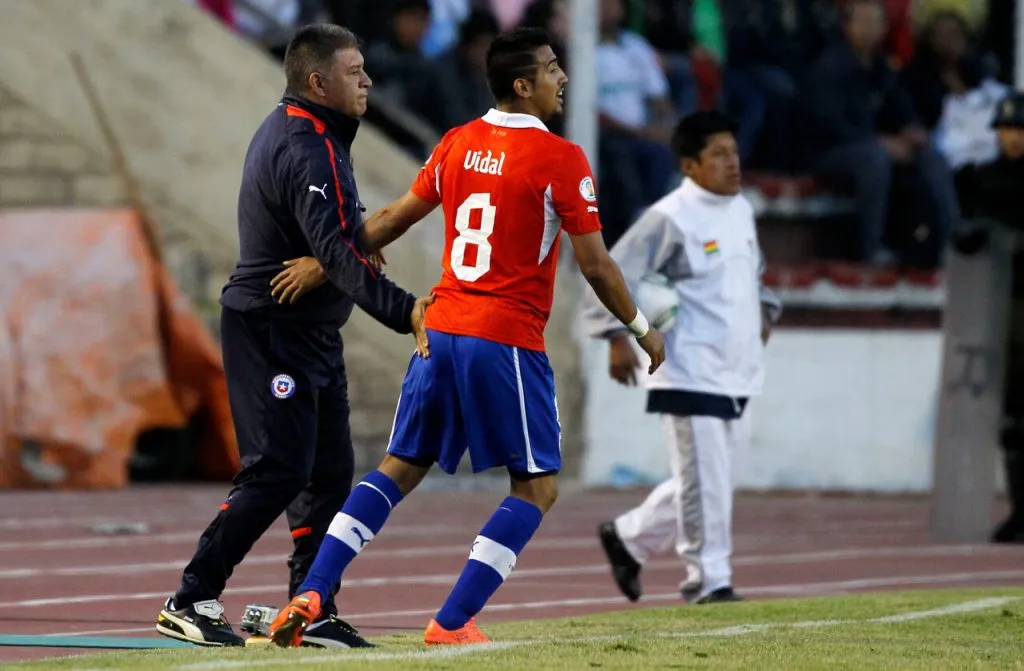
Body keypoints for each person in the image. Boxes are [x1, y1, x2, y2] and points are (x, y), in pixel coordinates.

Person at [264, 26, 666, 648]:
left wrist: (326, 260)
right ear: (523, 85)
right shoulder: (562, 159)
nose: (563, 78)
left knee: (398, 468)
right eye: (553, 68)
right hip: (505, 339)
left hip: (439, 329)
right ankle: (451, 621)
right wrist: (641, 328)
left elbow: (394, 217)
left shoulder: (457, 142)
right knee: (536, 486)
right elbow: (596, 265)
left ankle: (312, 591)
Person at [155, 23, 433, 648]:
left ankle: (309, 607)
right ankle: (191, 596)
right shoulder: (307, 144)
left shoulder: (315, 134)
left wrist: (335, 254)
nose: (367, 79)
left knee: (329, 473)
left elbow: (328, 237)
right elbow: (334, 246)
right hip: (270, 327)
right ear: (318, 81)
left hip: (310, 330)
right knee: (277, 470)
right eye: (354, 69)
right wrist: (405, 309)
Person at [582, 111, 781, 605]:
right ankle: (708, 580)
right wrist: (615, 337)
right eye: (718, 154)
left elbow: (752, 274)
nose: (732, 163)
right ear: (690, 165)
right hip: (688, 368)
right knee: (705, 483)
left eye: (734, 151)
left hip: (738, 367)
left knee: (713, 480)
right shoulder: (669, 218)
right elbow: (612, 272)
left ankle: (630, 537)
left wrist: (766, 311)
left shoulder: (742, 209)